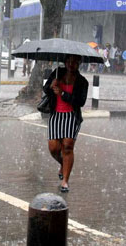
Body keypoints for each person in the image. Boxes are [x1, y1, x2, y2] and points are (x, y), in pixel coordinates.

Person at [43, 54, 89, 193]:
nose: (71, 64)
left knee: (67, 147)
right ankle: (64, 164)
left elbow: (80, 102)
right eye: (68, 61)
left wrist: (63, 94)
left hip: (71, 116)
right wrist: (51, 86)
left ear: (79, 63)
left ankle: (65, 181)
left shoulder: (82, 81)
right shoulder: (57, 73)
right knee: (54, 148)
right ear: (65, 62)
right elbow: (46, 89)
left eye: (74, 62)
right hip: (56, 115)